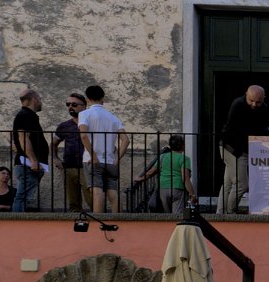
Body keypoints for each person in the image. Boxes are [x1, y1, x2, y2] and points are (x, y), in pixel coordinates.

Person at [220, 85, 269, 213]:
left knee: (228, 184)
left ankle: (220, 212)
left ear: (263, 98)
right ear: (246, 95)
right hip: (232, 148)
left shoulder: (263, 108)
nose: (254, 104)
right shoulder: (238, 104)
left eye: (258, 102)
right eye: (251, 101)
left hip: (241, 148)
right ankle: (230, 213)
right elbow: (239, 129)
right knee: (242, 184)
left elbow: (262, 129)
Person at [78, 84, 129, 213]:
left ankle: (98, 221)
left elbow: (83, 135)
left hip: (92, 160)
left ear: (87, 99)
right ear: (103, 97)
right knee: (113, 193)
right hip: (110, 161)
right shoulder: (113, 118)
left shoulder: (84, 114)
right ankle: (118, 220)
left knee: (97, 191)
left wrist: (93, 156)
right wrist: (116, 159)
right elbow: (126, 140)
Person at [11, 87, 50, 212]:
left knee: (24, 197)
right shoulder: (25, 115)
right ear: (34, 99)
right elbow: (23, 137)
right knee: (22, 197)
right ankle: (17, 222)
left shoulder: (27, 115)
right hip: (28, 165)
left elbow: (20, 138)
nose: (41, 102)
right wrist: (33, 160)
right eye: (40, 99)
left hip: (28, 164)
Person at [138, 134, 197, 215]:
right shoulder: (184, 159)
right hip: (177, 188)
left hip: (163, 188)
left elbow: (151, 172)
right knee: (177, 215)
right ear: (183, 145)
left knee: (167, 215)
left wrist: (140, 178)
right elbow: (185, 178)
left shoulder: (162, 157)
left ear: (170, 145)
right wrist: (192, 195)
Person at [53, 92, 92, 211]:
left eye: (74, 104)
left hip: (87, 167)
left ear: (84, 106)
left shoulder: (91, 123)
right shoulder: (64, 126)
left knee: (92, 200)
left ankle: (97, 220)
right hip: (69, 168)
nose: (70, 107)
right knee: (73, 204)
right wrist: (55, 158)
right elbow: (53, 144)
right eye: (68, 104)